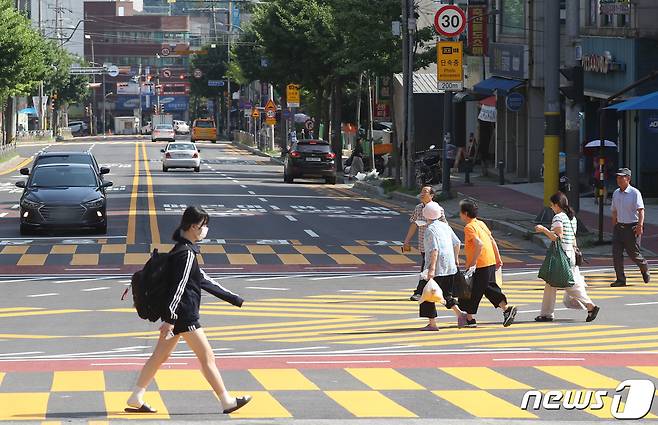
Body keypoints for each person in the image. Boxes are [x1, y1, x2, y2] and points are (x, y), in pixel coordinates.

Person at [126, 206, 251, 415]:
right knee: (207, 357)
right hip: (184, 316)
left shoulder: (182, 251)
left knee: (159, 357)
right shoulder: (185, 254)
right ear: (194, 227)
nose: (206, 230)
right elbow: (179, 288)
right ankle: (227, 401)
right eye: (204, 226)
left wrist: (234, 299)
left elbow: (202, 279)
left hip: (177, 316)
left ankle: (136, 396)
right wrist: (171, 319)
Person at [534, 192, 600, 322]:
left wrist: (543, 229)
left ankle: (590, 306)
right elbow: (573, 238)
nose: (551, 208)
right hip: (570, 253)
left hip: (562, 255)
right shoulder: (572, 218)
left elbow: (557, 237)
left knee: (569, 285)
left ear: (557, 205)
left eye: (552, 205)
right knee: (551, 283)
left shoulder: (558, 217)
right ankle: (546, 313)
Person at [459, 199, 517, 327]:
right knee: (486, 288)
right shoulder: (480, 223)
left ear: (466, 213)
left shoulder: (469, 227)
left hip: (480, 264)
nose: (460, 215)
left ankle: (470, 318)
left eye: (461, 212)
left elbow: (479, 244)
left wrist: (472, 263)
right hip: (489, 260)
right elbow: (491, 240)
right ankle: (504, 310)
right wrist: (497, 257)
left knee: (473, 290)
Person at [418, 202, 468, 331]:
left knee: (427, 294)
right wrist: (456, 259)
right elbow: (457, 243)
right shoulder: (445, 226)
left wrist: (431, 269)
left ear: (425, 215)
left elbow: (434, 250)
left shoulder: (429, 230)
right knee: (446, 293)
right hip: (450, 266)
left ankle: (432, 324)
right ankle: (460, 314)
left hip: (437, 267)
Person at [403, 186, 446, 301]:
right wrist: (407, 241)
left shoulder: (438, 209)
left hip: (435, 246)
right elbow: (414, 224)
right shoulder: (418, 208)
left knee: (426, 269)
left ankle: (420, 292)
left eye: (425, 192)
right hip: (423, 245)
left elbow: (444, 227)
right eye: (421, 191)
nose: (422, 193)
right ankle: (442, 292)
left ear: (431, 196)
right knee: (430, 269)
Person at [610, 168, 650, 287]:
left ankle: (644, 267)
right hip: (619, 227)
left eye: (621, 177)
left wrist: (640, 225)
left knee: (633, 254)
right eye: (617, 177)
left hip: (632, 227)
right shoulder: (616, 193)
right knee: (616, 254)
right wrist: (614, 224)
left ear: (628, 178)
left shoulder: (635, 193)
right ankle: (620, 279)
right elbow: (614, 210)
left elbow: (641, 211)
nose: (619, 179)